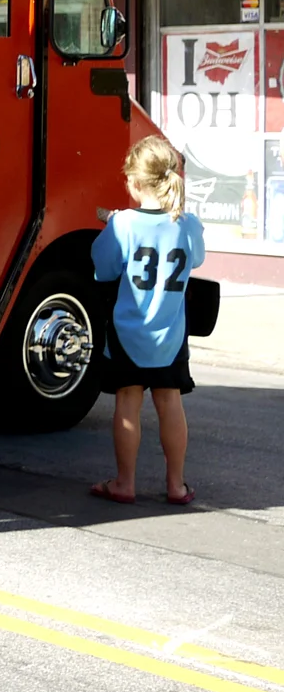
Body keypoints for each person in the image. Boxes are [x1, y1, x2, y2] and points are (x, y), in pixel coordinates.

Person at [89, 137, 205, 507]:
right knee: (170, 401)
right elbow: (197, 260)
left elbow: (103, 267)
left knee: (128, 401)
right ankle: (176, 484)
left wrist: (111, 225)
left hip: (127, 332)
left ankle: (124, 482)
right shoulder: (188, 224)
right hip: (171, 333)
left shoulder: (123, 223)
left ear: (136, 183)